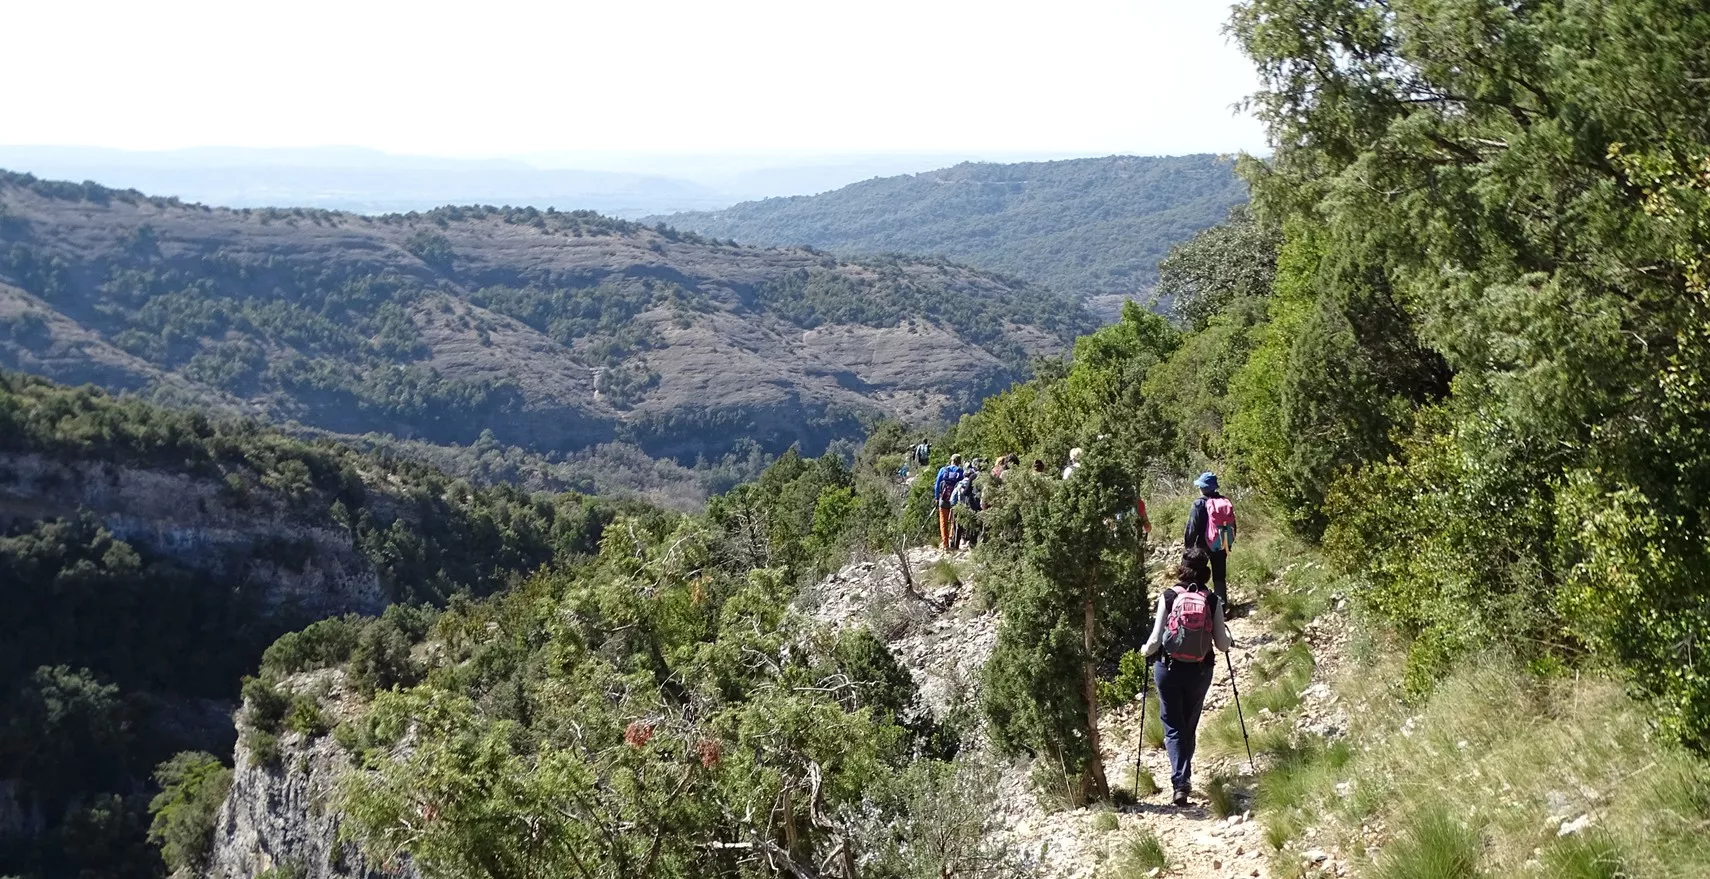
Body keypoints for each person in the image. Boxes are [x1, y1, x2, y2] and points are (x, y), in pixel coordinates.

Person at [1142, 548, 1231, 806]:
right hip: (1200, 671)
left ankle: (1180, 782)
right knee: (1188, 725)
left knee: (1172, 726)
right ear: (1206, 571)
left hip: (1168, 669)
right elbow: (1222, 644)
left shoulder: (1169, 596)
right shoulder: (1212, 599)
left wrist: (1144, 651)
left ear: (1181, 568)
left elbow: (1156, 639)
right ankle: (1183, 775)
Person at [1183, 471, 1237, 608]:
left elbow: (1192, 527)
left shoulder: (1199, 504)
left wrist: (1188, 547)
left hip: (1202, 545)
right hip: (1220, 543)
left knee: (1195, 574)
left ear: (1202, 487)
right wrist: (1228, 542)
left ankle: (1196, 604)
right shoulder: (1224, 502)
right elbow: (1233, 525)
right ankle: (1221, 606)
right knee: (1219, 576)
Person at [933, 454, 965, 550]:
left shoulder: (943, 470)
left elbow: (937, 484)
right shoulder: (961, 472)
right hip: (955, 500)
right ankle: (951, 537)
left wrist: (936, 497)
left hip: (943, 498)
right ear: (959, 462)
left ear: (951, 460)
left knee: (943, 522)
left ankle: (945, 543)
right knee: (953, 521)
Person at [949, 464, 982, 549]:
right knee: (972, 526)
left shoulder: (959, 484)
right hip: (971, 507)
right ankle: (972, 544)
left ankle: (956, 545)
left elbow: (953, 499)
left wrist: (953, 506)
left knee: (958, 528)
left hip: (960, 508)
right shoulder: (975, 481)